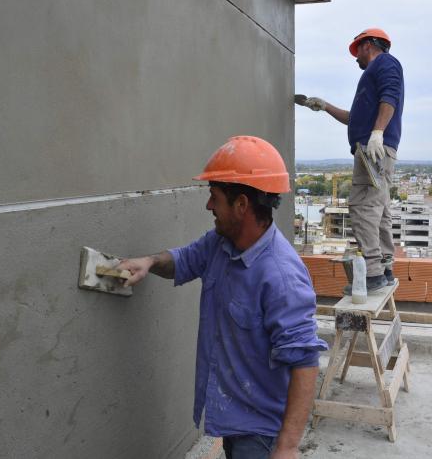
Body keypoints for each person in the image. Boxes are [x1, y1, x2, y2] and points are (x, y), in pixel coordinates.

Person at [116, 135, 328, 459]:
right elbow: (185, 259)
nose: (208, 206)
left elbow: (305, 362)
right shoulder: (220, 243)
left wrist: (287, 446)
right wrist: (149, 262)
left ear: (241, 204)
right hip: (231, 420)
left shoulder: (281, 277)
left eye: (214, 197)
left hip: (261, 435)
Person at [301, 27, 405, 294]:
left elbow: (390, 96)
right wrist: (324, 106)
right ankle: (384, 267)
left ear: (367, 45)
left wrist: (378, 133)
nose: (355, 57)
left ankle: (371, 275)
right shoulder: (374, 73)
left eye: (356, 50)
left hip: (372, 149)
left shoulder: (385, 63)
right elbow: (353, 118)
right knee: (379, 209)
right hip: (374, 148)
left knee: (362, 207)